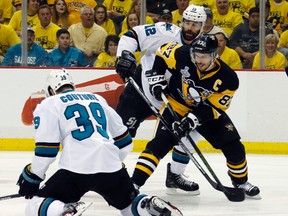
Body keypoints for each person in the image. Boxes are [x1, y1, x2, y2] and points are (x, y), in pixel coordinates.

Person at [16, 69, 183, 216]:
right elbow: (125, 141)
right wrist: (111, 162)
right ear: (71, 86)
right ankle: (146, 204)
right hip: (111, 165)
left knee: (35, 205)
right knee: (128, 205)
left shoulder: (48, 104)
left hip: (76, 169)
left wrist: (33, 176)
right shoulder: (96, 99)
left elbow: (47, 151)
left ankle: (65, 210)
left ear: (51, 90)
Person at [132, 33, 260, 199]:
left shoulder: (228, 79)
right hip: (176, 106)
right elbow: (162, 52)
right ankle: (133, 184)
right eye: (196, 55)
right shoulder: (183, 54)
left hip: (205, 112)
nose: (199, 60)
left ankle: (241, 182)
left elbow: (215, 108)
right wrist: (157, 79)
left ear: (215, 55)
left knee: (234, 146)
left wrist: (192, 120)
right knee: (159, 145)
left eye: (204, 56)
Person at [115, 4, 207, 195]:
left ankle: (175, 174)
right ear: (182, 21)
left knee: (192, 131)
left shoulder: (204, 48)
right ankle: (107, 172)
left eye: (195, 25)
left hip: (173, 100)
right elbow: (132, 36)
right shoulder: (164, 32)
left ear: (203, 26)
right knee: (121, 136)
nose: (190, 28)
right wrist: (124, 55)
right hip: (141, 91)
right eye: (188, 23)